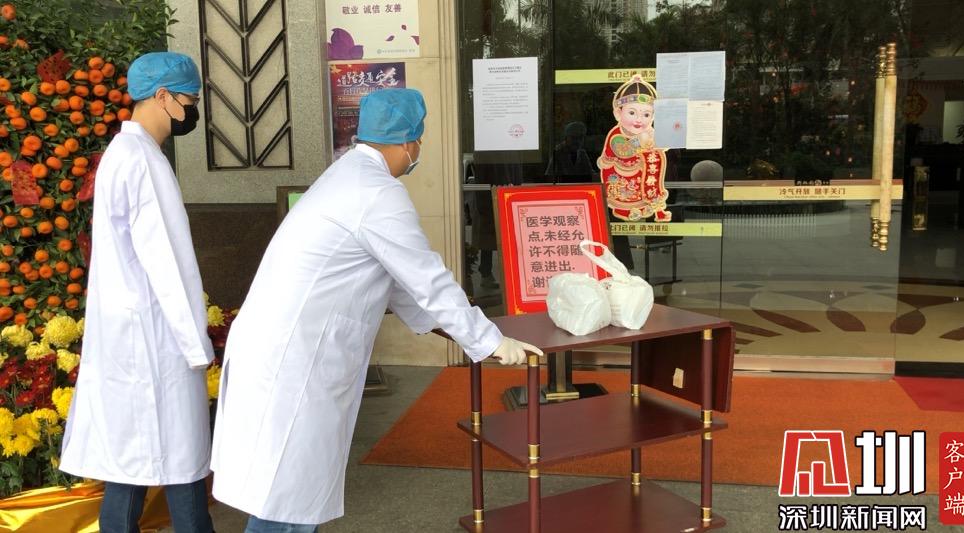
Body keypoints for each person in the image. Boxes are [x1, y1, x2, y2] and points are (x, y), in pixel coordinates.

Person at [210, 88, 541, 531]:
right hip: (297, 359)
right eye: (419, 140)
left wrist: (467, 333)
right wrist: (490, 341)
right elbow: (427, 279)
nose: (418, 149)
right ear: (406, 142)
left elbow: (398, 281)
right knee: (284, 505)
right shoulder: (377, 192)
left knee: (285, 495)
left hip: (280, 348)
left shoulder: (346, 176)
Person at [59, 52, 214, 532]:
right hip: (155, 338)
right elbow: (169, 263)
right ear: (163, 96)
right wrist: (197, 345)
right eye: (190, 99)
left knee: (130, 467)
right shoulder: (144, 162)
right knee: (180, 460)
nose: (193, 110)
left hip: (129, 334)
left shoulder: (122, 154)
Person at [597, 74, 672, 222]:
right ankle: (625, 210)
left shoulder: (649, 132)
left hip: (644, 178)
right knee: (626, 195)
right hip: (623, 177)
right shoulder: (616, 134)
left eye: (646, 115)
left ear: (653, 117)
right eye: (632, 113)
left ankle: (654, 206)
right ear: (618, 114)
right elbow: (623, 150)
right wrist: (639, 141)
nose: (639, 120)